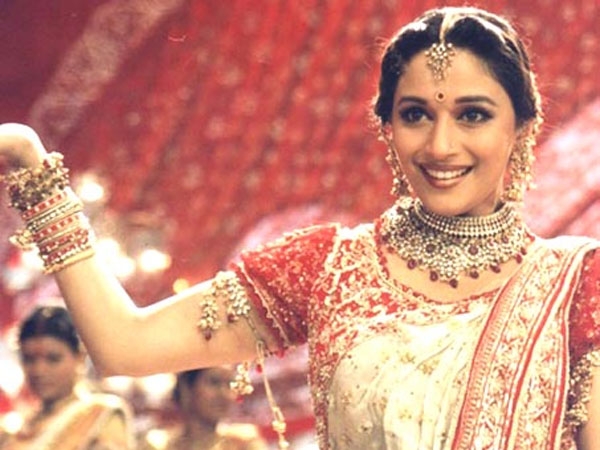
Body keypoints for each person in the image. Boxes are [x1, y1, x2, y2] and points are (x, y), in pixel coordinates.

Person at [0, 5, 598, 449]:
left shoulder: (575, 284)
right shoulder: (327, 268)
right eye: (416, 114)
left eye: (472, 115)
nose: (441, 145)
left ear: (522, 127)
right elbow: (124, 344)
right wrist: (32, 169)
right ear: (387, 128)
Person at [0, 306, 135, 449]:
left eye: (53, 359)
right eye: (29, 359)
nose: (39, 370)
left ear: (80, 357)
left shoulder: (99, 416)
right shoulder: (14, 429)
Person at [141, 366, 268, 450]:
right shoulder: (158, 444)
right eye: (214, 382)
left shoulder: (243, 444)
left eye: (230, 384)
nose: (224, 394)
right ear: (187, 388)